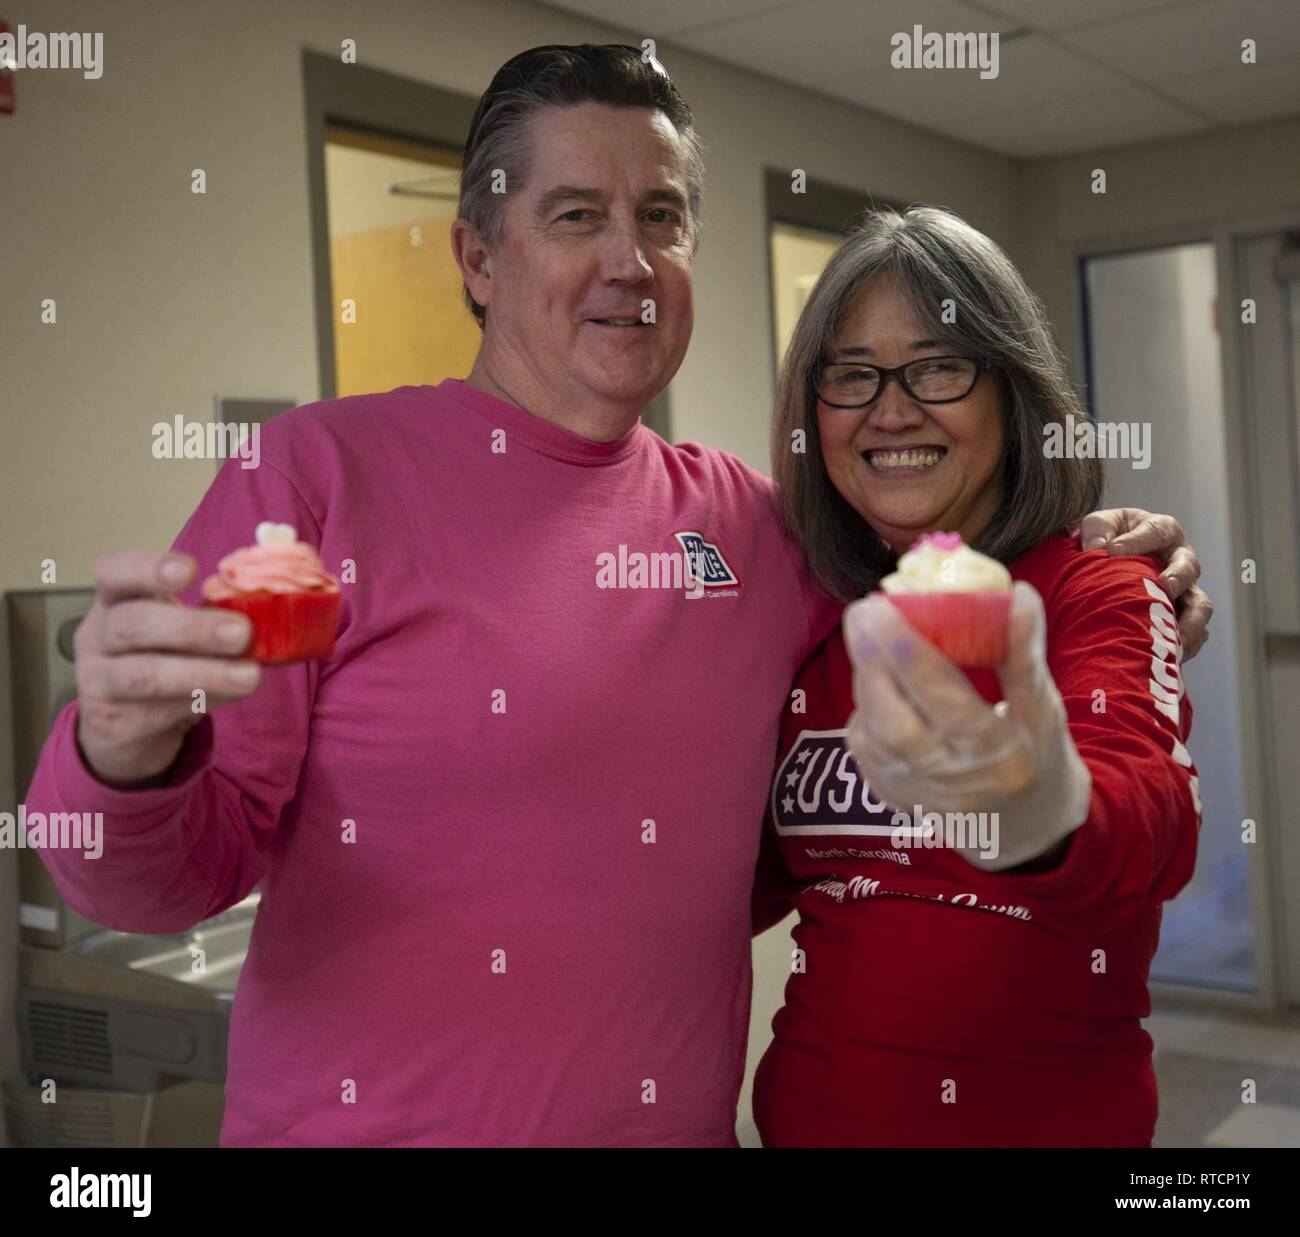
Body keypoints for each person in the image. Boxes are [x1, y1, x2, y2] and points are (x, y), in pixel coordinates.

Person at [25, 46, 1209, 1147]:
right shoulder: (313, 480)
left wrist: (1111, 577)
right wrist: (123, 757)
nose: (628, 262)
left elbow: (882, 721)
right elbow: (150, 883)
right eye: (576, 215)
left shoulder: (765, 535)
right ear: (478, 258)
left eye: (661, 217)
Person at [753, 205, 1202, 1147]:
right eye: (851, 374)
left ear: (1014, 392)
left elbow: (1147, 822)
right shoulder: (813, 619)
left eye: (940, 365)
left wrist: (1030, 804)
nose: (892, 407)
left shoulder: (1100, 591)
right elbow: (717, 883)